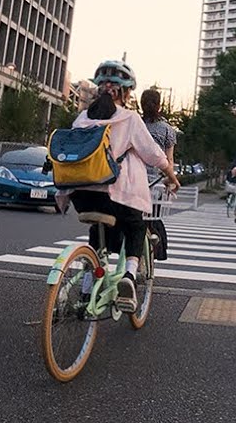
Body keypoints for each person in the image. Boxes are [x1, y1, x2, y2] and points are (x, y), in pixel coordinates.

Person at [69, 60, 181, 310]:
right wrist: (172, 177)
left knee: (97, 236)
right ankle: (129, 277)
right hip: (116, 196)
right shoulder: (128, 119)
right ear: (127, 92)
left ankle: (87, 289)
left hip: (82, 195)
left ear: (99, 89)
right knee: (136, 225)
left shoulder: (82, 118)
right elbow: (154, 154)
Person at [139, 88, 177, 216]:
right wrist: (170, 180)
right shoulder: (167, 129)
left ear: (141, 105)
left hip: (133, 182)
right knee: (152, 219)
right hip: (155, 185)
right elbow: (169, 161)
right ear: (159, 106)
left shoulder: (134, 124)